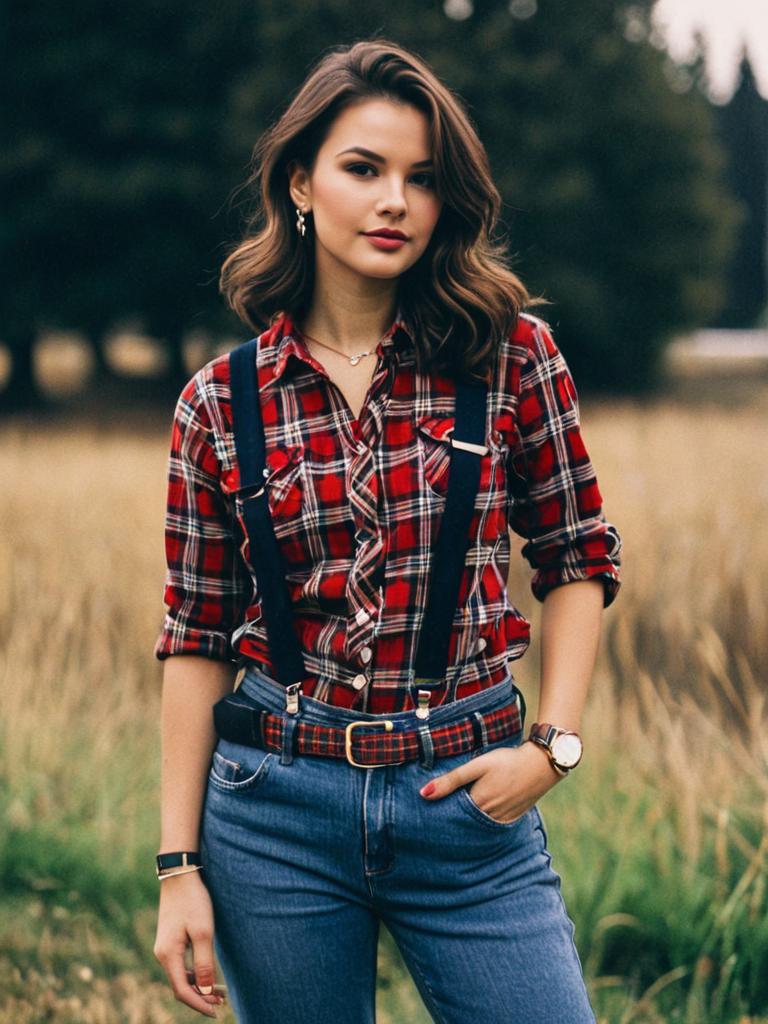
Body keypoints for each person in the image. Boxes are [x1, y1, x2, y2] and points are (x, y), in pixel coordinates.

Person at [151, 38, 622, 1024]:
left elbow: (576, 554)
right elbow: (195, 635)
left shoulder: (511, 357)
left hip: (468, 801)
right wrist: (178, 866)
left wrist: (553, 745)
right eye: (364, 169)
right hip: (273, 812)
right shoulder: (219, 401)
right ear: (300, 186)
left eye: (422, 178)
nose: (395, 200)